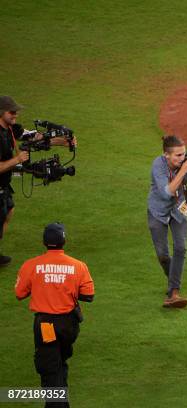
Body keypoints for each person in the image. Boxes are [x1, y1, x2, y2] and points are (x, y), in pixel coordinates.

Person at [15, 223, 94, 408]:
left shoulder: (31, 265)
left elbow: (19, 293)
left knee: (49, 367)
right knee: (59, 361)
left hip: (46, 327)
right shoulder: (78, 266)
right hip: (69, 325)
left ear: (44, 242)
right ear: (63, 241)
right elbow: (89, 295)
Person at [0, 96, 72, 266]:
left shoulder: (11, 129)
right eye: (12, 112)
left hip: (3, 184)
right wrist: (17, 159)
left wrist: (63, 142)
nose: (15, 115)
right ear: (1, 112)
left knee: (8, 211)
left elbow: (34, 137)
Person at [148, 135, 187, 308]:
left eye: (184, 154)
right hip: (157, 212)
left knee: (181, 248)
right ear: (166, 155)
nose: (183, 158)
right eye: (178, 156)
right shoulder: (158, 165)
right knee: (163, 255)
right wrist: (183, 171)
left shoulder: (186, 162)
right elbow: (167, 192)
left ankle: (174, 292)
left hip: (179, 211)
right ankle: (172, 277)